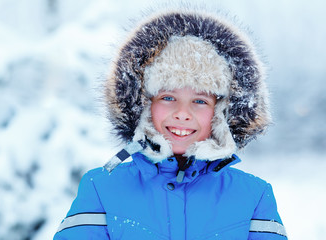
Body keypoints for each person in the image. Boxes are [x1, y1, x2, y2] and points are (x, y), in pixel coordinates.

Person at [53, 7, 288, 240]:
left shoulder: (254, 196)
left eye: (200, 100)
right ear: (143, 105)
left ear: (222, 114)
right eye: (168, 97)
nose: (182, 113)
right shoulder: (102, 188)